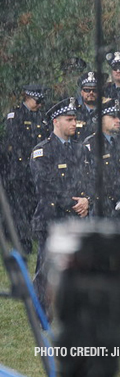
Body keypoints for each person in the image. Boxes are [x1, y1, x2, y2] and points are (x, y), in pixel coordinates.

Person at [30, 98, 93, 311]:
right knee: (47, 269)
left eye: (75, 119)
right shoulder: (43, 152)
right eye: (69, 119)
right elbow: (45, 187)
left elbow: (90, 180)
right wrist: (74, 204)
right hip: (52, 219)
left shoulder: (81, 149)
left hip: (76, 220)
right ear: (56, 122)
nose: (74, 123)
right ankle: (42, 312)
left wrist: (87, 201)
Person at [3, 84, 49, 252]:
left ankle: (33, 236)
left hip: (36, 169)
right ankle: (23, 241)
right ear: (28, 97)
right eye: (37, 101)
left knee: (32, 204)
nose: (39, 105)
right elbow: (12, 144)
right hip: (19, 169)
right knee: (20, 206)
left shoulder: (42, 117)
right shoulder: (15, 116)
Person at [82, 99, 120, 218]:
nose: (118, 120)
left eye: (118, 117)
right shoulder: (91, 144)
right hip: (104, 207)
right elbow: (94, 177)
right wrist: (119, 194)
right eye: (113, 117)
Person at [74, 71, 104, 141]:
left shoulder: (105, 111)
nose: (91, 93)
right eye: (87, 90)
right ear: (81, 92)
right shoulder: (75, 112)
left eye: (94, 90)